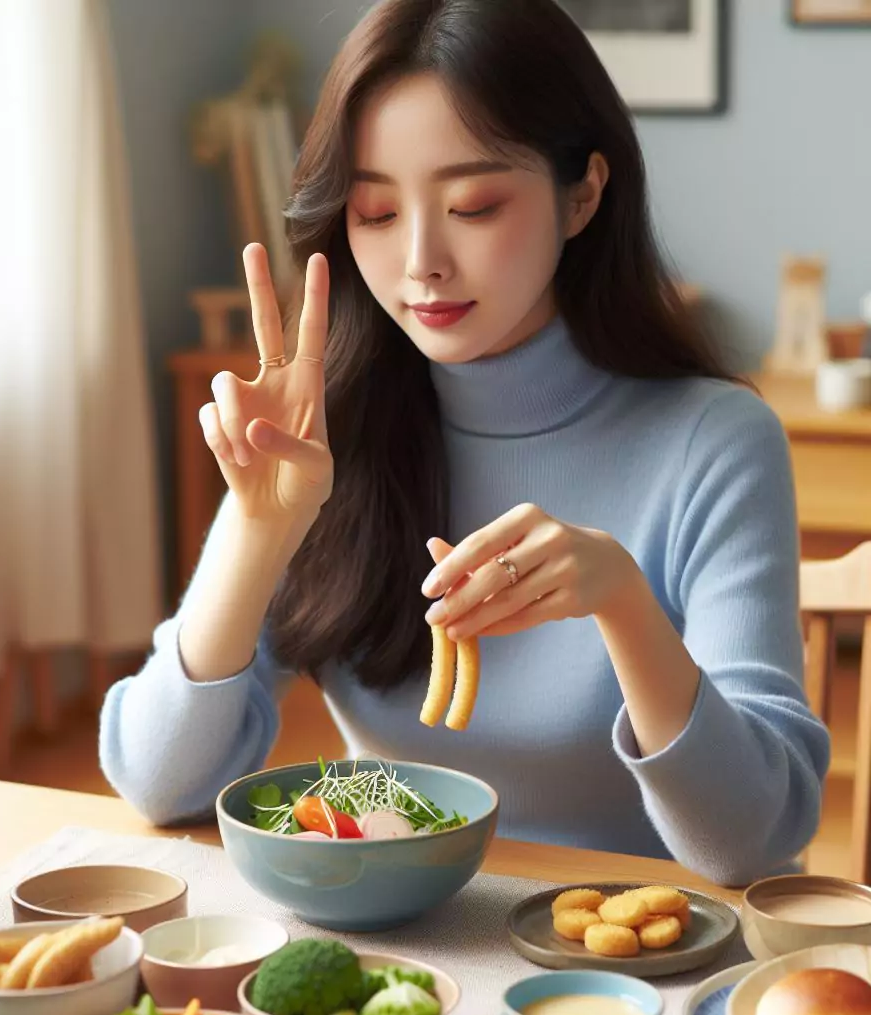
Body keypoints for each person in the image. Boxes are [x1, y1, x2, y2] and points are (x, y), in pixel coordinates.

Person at [99, 0, 829, 886]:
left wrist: (624, 606)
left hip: (652, 964)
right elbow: (157, 783)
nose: (421, 261)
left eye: (473, 205)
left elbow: (754, 840)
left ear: (583, 194)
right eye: (373, 211)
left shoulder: (714, 443)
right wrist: (258, 532)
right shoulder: (331, 431)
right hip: (415, 946)